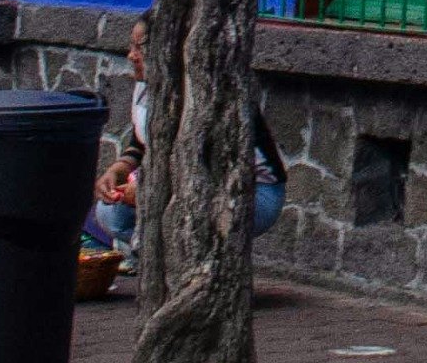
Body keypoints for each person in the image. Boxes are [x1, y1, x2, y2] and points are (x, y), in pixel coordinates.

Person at [87, 17, 284, 265]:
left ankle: (195, 268)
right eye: (132, 47)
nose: (131, 56)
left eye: (141, 48)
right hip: (182, 181)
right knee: (110, 214)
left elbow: (207, 169)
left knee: (174, 210)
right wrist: (119, 169)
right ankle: (162, 263)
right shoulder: (146, 87)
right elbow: (142, 141)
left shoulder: (206, 92)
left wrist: (149, 191)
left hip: (252, 191)